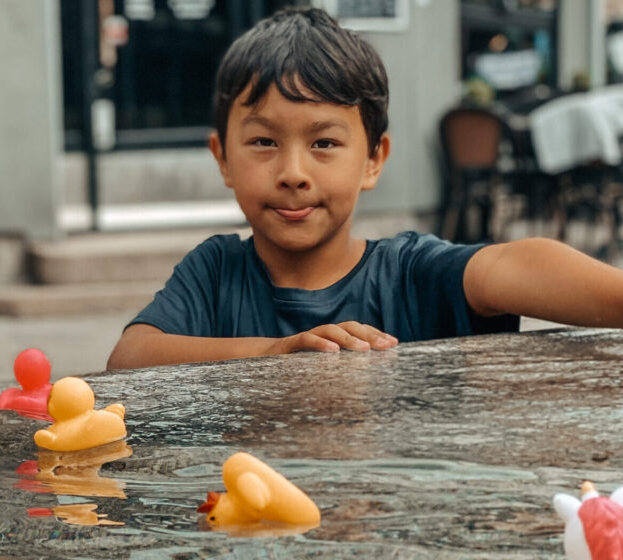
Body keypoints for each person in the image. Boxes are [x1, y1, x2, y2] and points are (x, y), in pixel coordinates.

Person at [107, 7, 623, 369]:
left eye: (324, 143)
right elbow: (130, 357)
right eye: (264, 141)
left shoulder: (410, 273)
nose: (293, 172)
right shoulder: (216, 272)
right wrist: (273, 355)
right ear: (223, 158)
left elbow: (510, 267)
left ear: (374, 159)